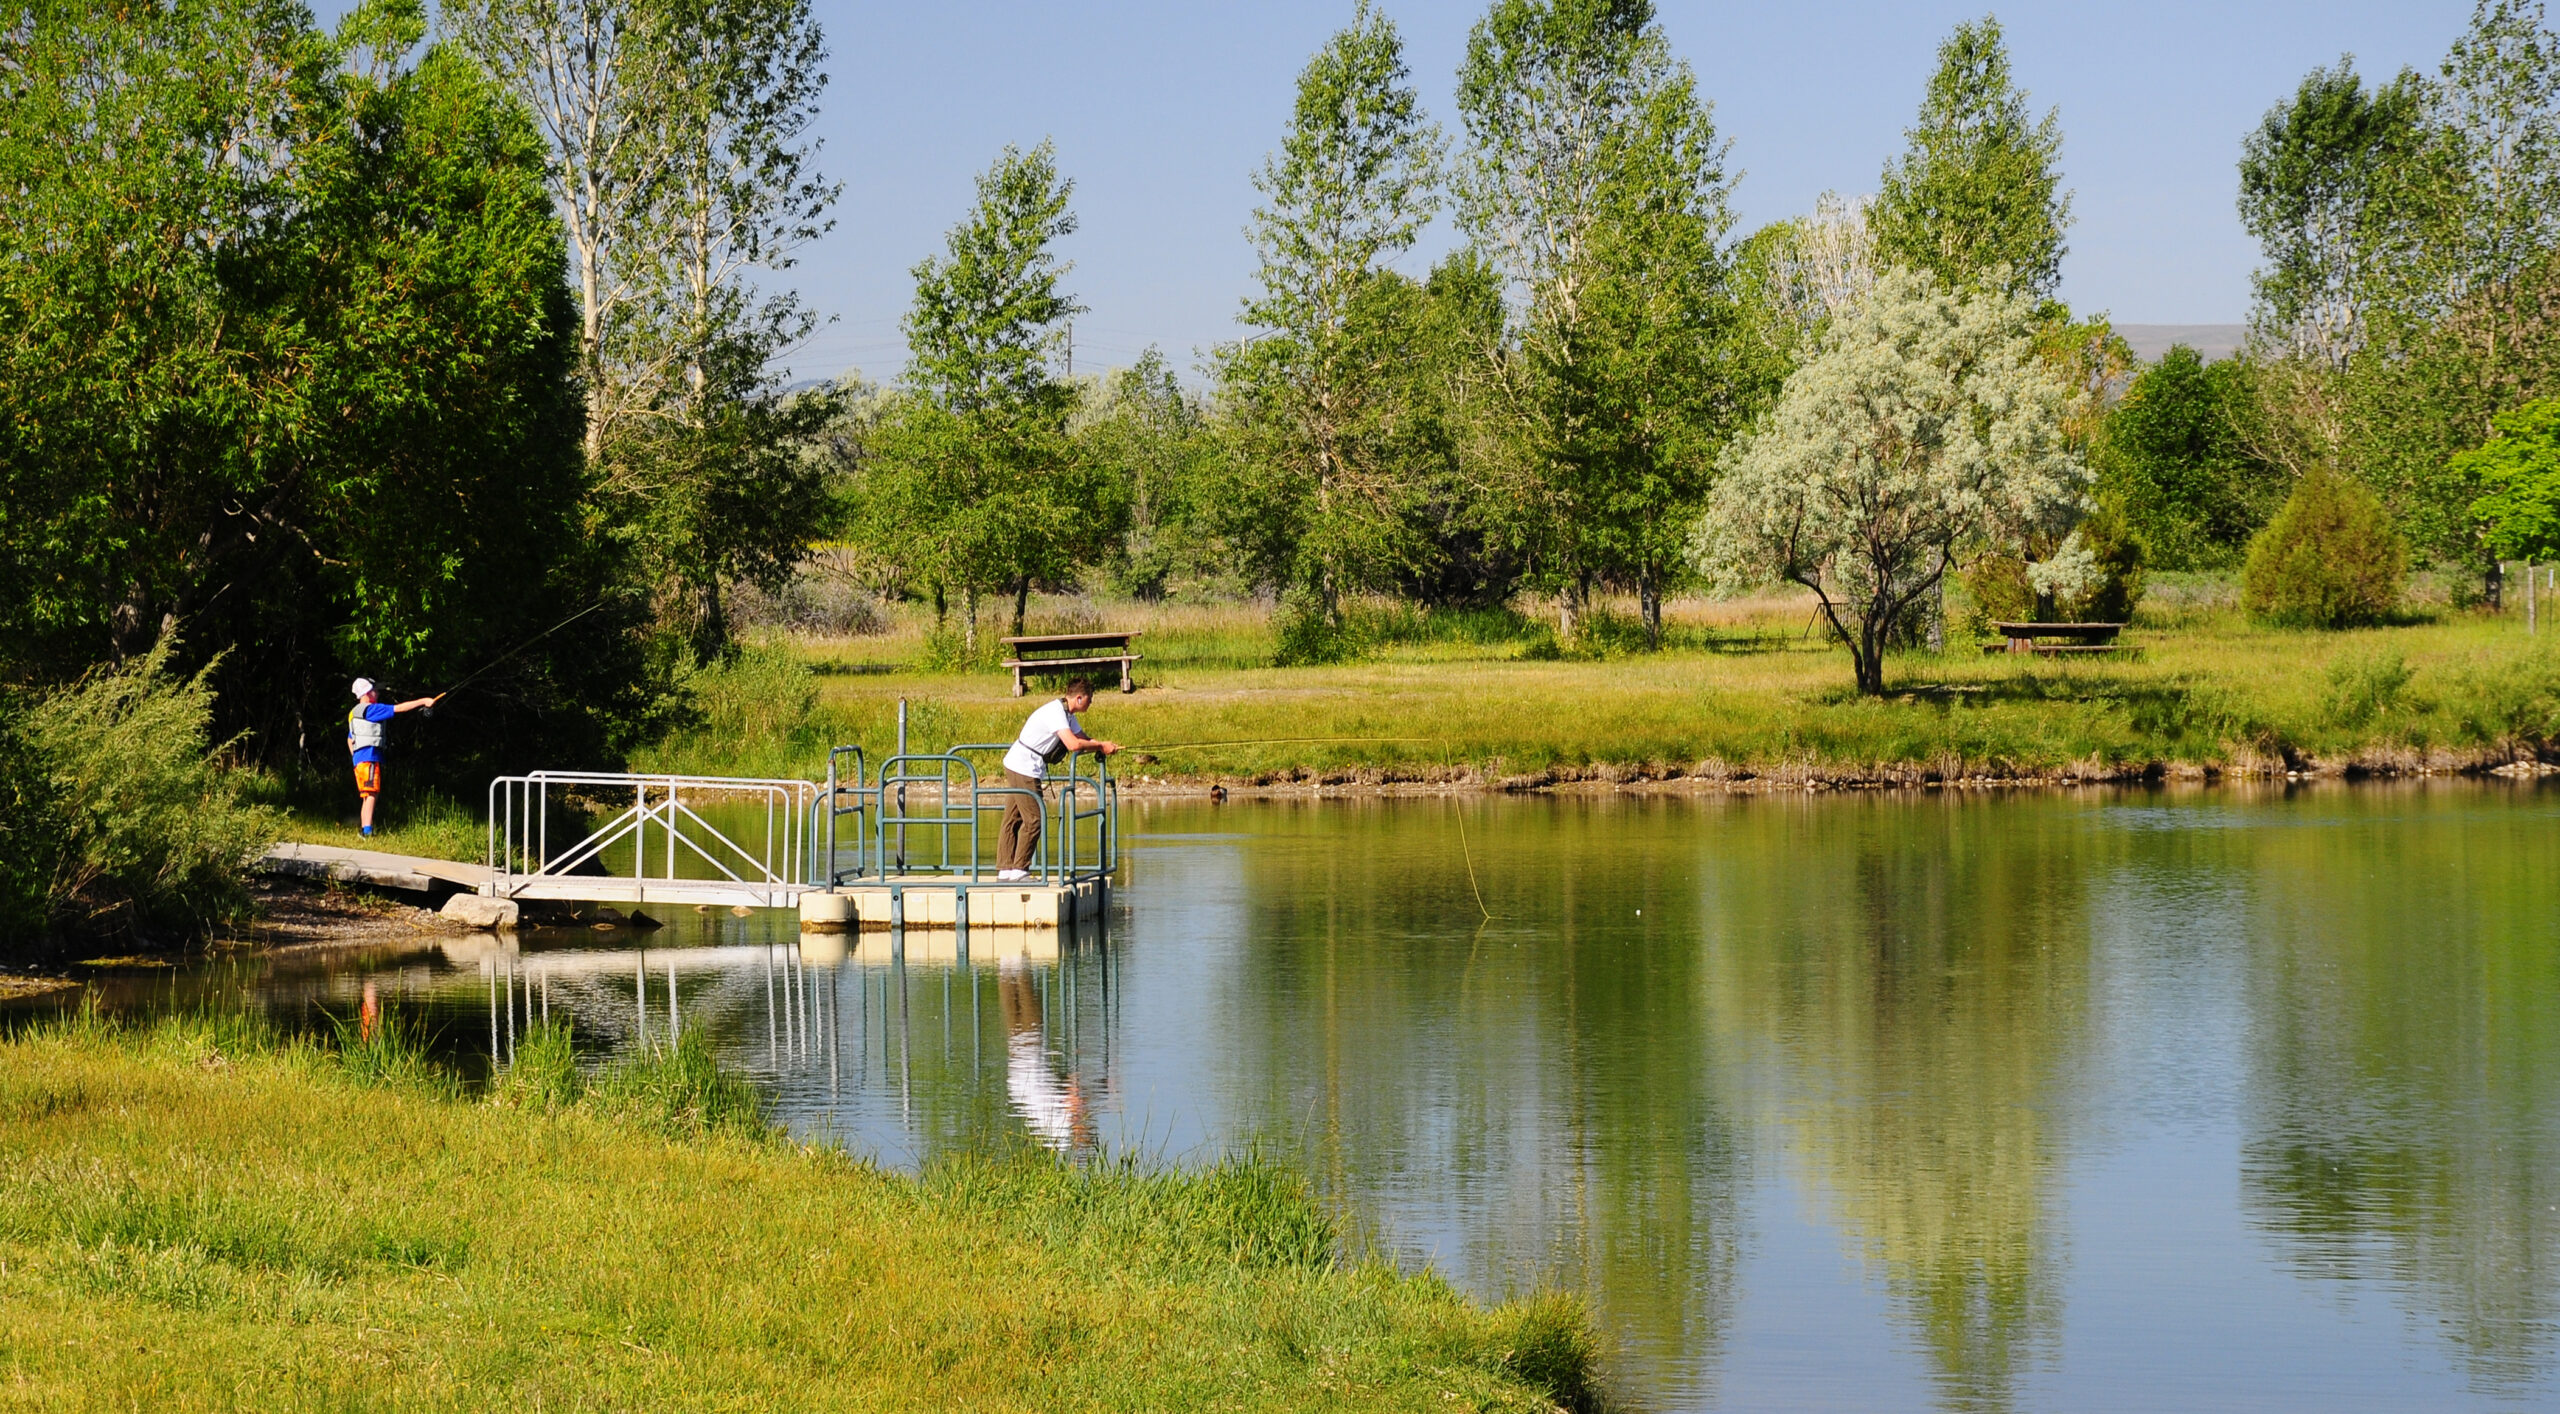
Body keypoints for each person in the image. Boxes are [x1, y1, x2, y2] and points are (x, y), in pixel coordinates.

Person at [996, 677, 1119, 881]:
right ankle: (1019, 870)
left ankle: (1006, 869)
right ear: (1079, 698)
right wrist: (1099, 746)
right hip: (1024, 767)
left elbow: (1083, 737)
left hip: (1023, 765)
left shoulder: (1067, 714)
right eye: (1090, 699)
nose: (1091, 702)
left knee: (1014, 818)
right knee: (1034, 819)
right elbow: (1072, 744)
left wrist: (1104, 745)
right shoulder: (1056, 712)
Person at [347, 678, 438, 838]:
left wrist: (355, 757)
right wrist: (424, 700)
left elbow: (350, 739)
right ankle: (367, 831)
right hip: (369, 757)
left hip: (359, 760)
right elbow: (399, 708)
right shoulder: (372, 710)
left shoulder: (354, 713)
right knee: (372, 794)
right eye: (376, 690)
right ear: (367, 693)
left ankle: (365, 830)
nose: (378, 693)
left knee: (367, 795)